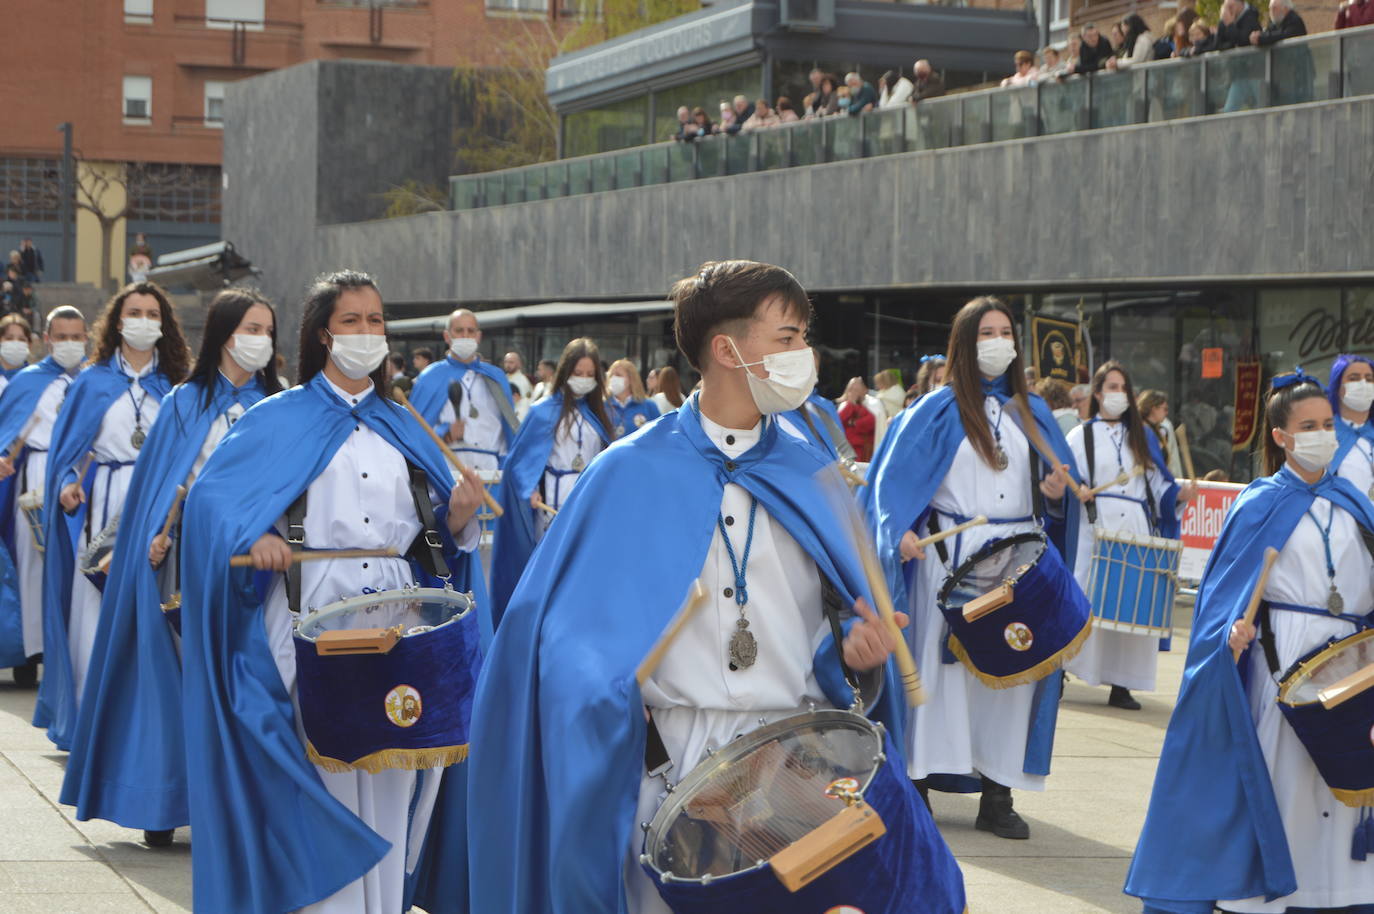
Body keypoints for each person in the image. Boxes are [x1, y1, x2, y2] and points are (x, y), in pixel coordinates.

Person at [467, 259, 967, 913]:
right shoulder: (627, 473)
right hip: (669, 763)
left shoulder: (814, 474)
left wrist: (853, 652)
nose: (803, 355)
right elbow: (557, 637)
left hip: (793, 760)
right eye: (787, 338)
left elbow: (834, 619)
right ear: (728, 350)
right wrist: (603, 691)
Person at [178, 269, 485, 914]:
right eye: (352, 321)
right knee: (326, 776)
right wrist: (257, 532)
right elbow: (212, 504)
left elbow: (432, 541)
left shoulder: (404, 424)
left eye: (376, 321)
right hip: (310, 608)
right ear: (323, 333)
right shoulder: (278, 418)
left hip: (401, 614)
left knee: (397, 773)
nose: (367, 333)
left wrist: (458, 518)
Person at [1126, 370, 1374, 914]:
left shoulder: (1354, 502)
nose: (1322, 433)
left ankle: (1339, 897)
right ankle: (1276, 894)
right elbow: (1224, 601)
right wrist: (1232, 635)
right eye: (1308, 425)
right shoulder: (1259, 502)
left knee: (1339, 788)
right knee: (1288, 787)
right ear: (1281, 436)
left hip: (1353, 670)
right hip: (1284, 671)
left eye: (1328, 424)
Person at [58, 288, 282, 849]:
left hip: (260, 563)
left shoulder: (281, 402)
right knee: (177, 677)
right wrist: (155, 535)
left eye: (268, 330)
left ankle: (241, 802)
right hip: (191, 559)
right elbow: (161, 481)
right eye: (252, 328)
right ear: (226, 333)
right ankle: (166, 798)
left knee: (250, 681)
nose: (262, 340)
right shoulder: (185, 401)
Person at [862, 295, 1083, 840]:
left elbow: (1060, 498)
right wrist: (902, 532)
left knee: (1010, 676)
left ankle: (998, 792)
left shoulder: (1031, 414)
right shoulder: (932, 411)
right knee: (942, 682)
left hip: (1019, 564)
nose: (998, 341)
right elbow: (890, 490)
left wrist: (1056, 495)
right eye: (986, 331)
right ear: (965, 342)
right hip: (949, 562)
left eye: (1005, 331)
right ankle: (919, 787)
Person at [33, 282, 189, 751]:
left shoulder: (178, 386)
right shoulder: (92, 381)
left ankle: (153, 733)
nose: (143, 320)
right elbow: (65, 456)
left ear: (163, 325)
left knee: (157, 617)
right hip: (105, 510)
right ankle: (93, 727)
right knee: (95, 618)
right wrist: (65, 488)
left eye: (152, 313)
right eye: (134, 311)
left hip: (161, 511)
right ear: (118, 322)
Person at [1064, 362, 1195, 711]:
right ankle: (1062, 668)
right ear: (1096, 393)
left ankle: (1121, 683)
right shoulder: (1080, 436)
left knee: (1129, 602)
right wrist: (1076, 489)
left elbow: (1157, 483)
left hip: (1134, 524)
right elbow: (1063, 478)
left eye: (1123, 387)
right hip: (1095, 525)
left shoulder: (1142, 436)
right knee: (1085, 597)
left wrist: (1177, 495)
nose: (1117, 394)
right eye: (1111, 386)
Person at [489, 338, 611, 616]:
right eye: (578, 373)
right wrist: (529, 488)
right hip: (553, 500)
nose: (583, 380)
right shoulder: (543, 411)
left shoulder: (598, 414)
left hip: (587, 497)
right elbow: (521, 461)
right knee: (553, 566)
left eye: (589, 375)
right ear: (566, 371)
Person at [0, 306, 89, 687]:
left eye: (76, 337)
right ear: (48, 339)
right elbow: (6, 432)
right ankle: (32, 653)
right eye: (61, 337)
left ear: (86, 338)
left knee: (80, 563)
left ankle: (73, 649)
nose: (69, 344)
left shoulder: (94, 381)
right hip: (35, 477)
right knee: (34, 566)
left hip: (84, 481)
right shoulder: (28, 381)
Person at [409, 309, 519, 478]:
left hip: (492, 474)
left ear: (479, 336)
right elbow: (414, 434)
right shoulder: (429, 378)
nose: (465, 336)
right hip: (447, 472)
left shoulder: (496, 377)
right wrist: (444, 433)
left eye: (471, 331)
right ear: (447, 336)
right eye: (459, 331)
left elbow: (509, 432)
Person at [1327, 353, 1374, 499]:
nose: (1363, 384)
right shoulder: (1324, 433)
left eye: (1369, 378)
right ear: (1337, 387)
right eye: (1353, 378)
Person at [605, 358, 660, 438]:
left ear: (631, 379)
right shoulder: (602, 406)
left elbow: (658, 436)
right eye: (611, 375)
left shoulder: (648, 406)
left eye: (618, 375)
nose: (613, 379)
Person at [1138, 388, 1183, 476]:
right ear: (1154, 408)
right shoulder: (1139, 430)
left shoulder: (1162, 430)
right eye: (1165, 409)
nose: (1166, 413)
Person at [840, 376, 877, 460]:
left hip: (862, 448)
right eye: (852, 389)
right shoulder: (843, 404)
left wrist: (855, 423)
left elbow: (872, 421)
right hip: (846, 448)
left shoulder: (870, 404)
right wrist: (851, 403)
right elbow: (839, 421)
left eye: (857, 389)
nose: (854, 392)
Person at [0, 313, 33, 393]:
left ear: (29, 344)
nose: (15, 343)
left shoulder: (36, 378)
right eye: (9, 338)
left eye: (21, 339)